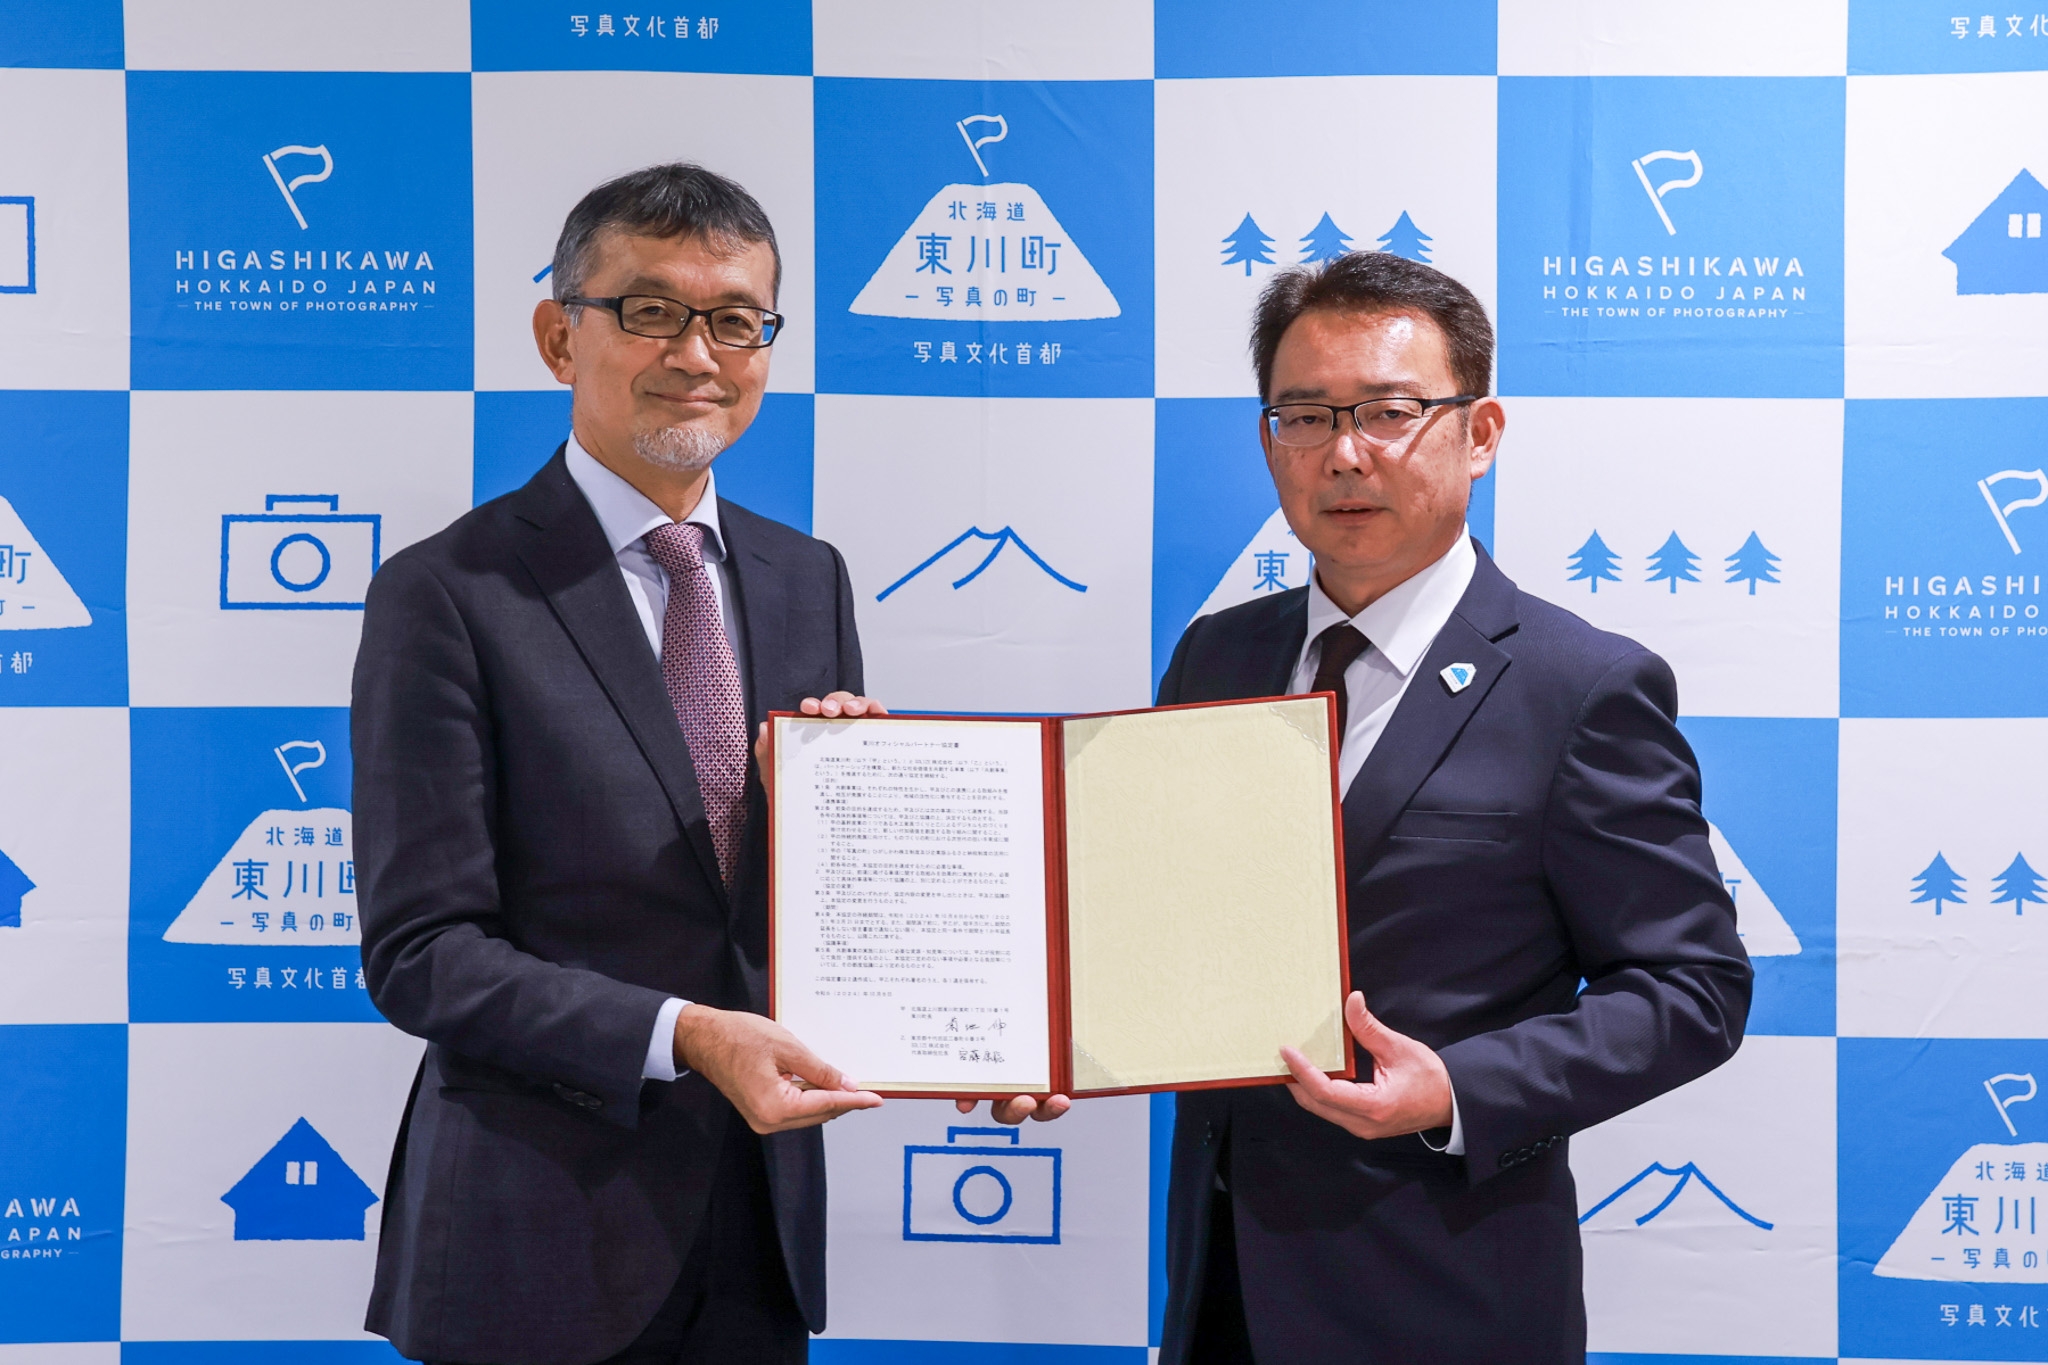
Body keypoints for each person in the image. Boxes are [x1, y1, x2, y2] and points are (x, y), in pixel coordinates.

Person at [352, 163, 1053, 1365]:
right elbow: (423, 954)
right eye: (650, 311)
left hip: (756, 1229)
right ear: (557, 335)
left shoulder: (805, 577)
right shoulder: (448, 591)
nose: (696, 354)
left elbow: (811, 918)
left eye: (735, 320)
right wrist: (687, 1033)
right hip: (536, 1234)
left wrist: (982, 1025)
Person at [1154, 252, 1753, 1364]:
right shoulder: (1215, 657)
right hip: (1223, 1283)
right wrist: (1053, 1042)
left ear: (1479, 433)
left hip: (1444, 1288)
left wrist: (1458, 1089)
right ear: (1268, 439)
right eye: (1303, 416)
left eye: (1390, 412)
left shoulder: (1580, 687)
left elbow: (1694, 989)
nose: (1344, 453)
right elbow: (1173, 921)